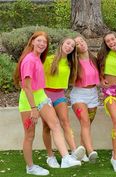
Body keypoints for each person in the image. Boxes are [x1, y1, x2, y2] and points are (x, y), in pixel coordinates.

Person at [14, 31, 81, 176]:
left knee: (55, 124)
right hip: (28, 101)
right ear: (32, 41)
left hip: (41, 96)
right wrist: (33, 108)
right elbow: (26, 86)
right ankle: (30, 167)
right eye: (39, 41)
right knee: (29, 135)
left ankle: (65, 158)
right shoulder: (29, 59)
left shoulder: (38, 58)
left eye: (44, 42)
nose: (42, 44)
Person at [42, 37, 85, 168]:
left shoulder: (71, 63)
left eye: (72, 46)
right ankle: (50, 156)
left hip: (60, 95)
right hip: (45, 95)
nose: (69, 47)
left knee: (65, 122)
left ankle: (73, 152)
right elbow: (40, 79)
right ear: (61, 44)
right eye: (68, 44)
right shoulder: (49, 59)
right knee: (47, 127)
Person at [97, 31, 116, 173]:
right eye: (108, 41)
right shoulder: (103, 55)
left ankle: (115, 150)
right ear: (106, 43)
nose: (111, 42)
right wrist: (101, 80)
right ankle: (115, 157)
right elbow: (98, 72)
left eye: (112, 39)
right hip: (110, 92)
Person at [70, 35, 99, 163]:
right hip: (79, 95)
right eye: (77, 43)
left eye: (81, 40)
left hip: (93, 94)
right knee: (85, 122)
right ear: (75, 49)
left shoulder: (94, 59)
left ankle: (80, 151)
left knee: (86, 125)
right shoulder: (74, 62)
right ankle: (91, 151)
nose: (81, 43)